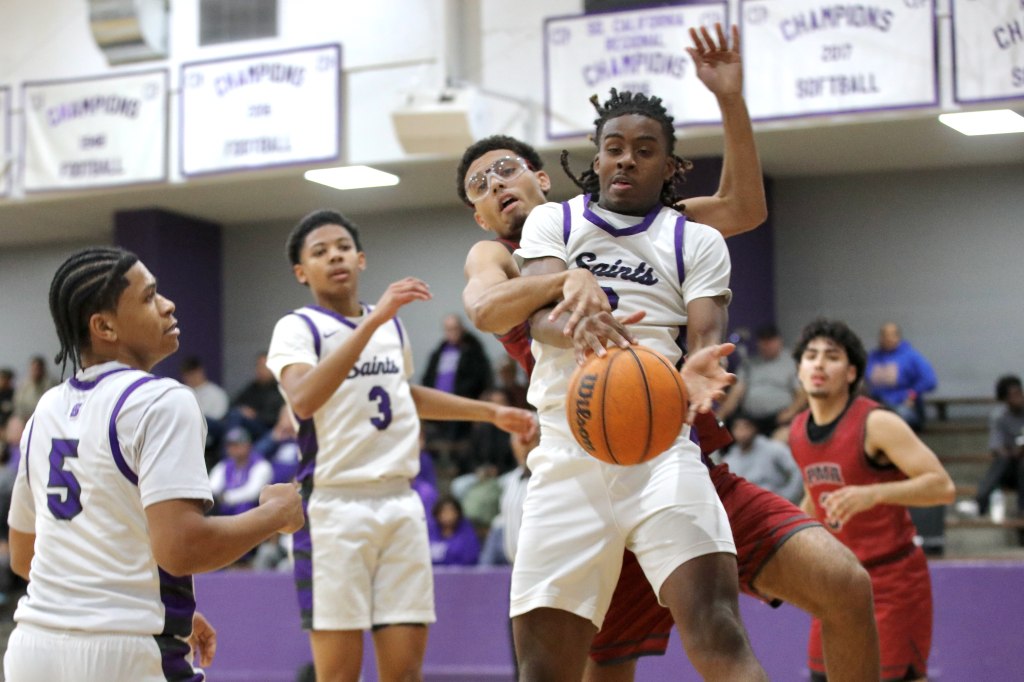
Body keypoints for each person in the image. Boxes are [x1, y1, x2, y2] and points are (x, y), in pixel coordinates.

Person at [458, 24, 878, 682]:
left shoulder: (668, 229)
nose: (496, 184)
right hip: (576, 451)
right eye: (479, 185)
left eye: (505, 168)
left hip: (671, 448)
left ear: (544, 173)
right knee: (579, 667)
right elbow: (491, 309)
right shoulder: (502, 252)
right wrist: (566, 284)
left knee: (805, 602)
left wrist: (731, 100)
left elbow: (739, 214)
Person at [4, 246, 304, 681]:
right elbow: (183, 547)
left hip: (33, 650)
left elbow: (23, 555)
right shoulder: (163, 400)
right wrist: (276, 514)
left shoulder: (45, 410)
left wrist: (152, 603)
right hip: (126, 656)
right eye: (149, 297)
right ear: (104, 326)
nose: (168, 305)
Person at [266, 210, 536, 682]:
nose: (334, 256)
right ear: (300, 272)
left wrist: (490, 412)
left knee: (407, 673)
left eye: (343, 247)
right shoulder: (298, 328)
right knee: (339, 675)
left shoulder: (388, 325)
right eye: (320, 252)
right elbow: (304, 400)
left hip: (399, 504)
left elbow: (402, 393)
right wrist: (370, 326)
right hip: (333, 508)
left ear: (361, 258)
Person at [789, 318, 956, 682]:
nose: (818, 364)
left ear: (851, 373)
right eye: (810, 356)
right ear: (799, 369)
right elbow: (814, 498)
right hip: (837, 584)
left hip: (891, 582)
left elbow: (942, 486)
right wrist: (781, 545)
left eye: (831, 357)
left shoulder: (877, 422)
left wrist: (875, 492)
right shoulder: (798, 430)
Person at [420, 313, 494, 462]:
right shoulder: (438, 352)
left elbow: (482, 378)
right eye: (448, 329)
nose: (452, 332)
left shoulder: (473, 350)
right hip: (437, 405)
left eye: (455, 328)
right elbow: (427, 378)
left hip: (462, 405)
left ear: (462, 329)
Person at [716, 323, 806, 439]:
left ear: (779, 341)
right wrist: (720, 416)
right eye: (763, 341)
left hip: (780, 419)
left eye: (770, 340)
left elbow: (802, 394)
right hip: (751, 419)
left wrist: (791, 412)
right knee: (737, 432)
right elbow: (736, 393)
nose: (767, 345)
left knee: (779, 439)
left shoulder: (791, 363)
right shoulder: (748, 364)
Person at [963, 375, 1024, 535]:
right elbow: (997, 448)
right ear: (1004, 399)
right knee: (1002, 459)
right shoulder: (999, 417)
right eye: (1014, 395)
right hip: (1009, 469)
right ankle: (980, 501)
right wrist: (1015, 451)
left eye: (1020, 393)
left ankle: (1021, 511)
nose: (1019, 398)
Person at [863, 322, 937, 431]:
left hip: (902, 404)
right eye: (884, 335)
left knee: (895, 417)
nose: (888, 338)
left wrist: (913, 394)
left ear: (898, 337)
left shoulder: (910, 356)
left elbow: (929, 380)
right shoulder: (872, 357)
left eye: (892, 335)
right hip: (877, 404)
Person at [719, 413, 803, 504]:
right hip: (749, 508)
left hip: (776, 502)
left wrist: (788, 496)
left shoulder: (773, 448)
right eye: (738, 428)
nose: (742, 432)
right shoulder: (729, 460)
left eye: (746, 427)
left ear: (754, 428)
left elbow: (797, 469)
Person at [209, 426, 274, 517]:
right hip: (226, 509)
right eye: (230, 445)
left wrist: (225, 497)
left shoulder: (261, 465)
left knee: (245, 505)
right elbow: (213, 488)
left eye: (237, 445)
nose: (233, 449)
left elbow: (253, 493)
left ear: (248, 445)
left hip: (253, 512)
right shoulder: (223, 465)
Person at [228, 352, 285, 438]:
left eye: (264, 367)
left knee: (237, 417)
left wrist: (255, 415)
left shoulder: (280, 388)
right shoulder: (253, 387)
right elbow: (233, 404)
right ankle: (232, 446)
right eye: (258, 366)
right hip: (248, 426)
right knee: (235, 414)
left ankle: (231, 448)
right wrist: (243, 410)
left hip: (269, 429)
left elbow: (276, 417)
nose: (260, 370)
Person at [427, 495, 480, 566]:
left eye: (451, 511)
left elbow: (470, 558)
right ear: (437, 514)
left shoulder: (467, 532)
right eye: (444, 512)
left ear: (458, 513)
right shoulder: (430, 531)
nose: (447, 515)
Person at [12, 355, 56, 421]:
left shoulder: (52, 385)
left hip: (46, 417)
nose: (36, 372)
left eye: (38, 369)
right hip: (25, 418)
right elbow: (17, 404)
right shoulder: (23, 385)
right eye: (34, 369)